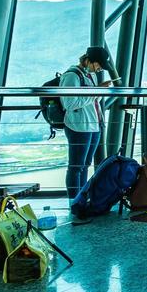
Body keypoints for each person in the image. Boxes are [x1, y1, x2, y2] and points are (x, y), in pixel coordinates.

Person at [60, 46, 112, 200]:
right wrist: (96, 91)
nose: (99, 68)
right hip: (79, 126)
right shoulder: (72, 76)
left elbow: (91, 99)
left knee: (85, 165)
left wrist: (98, 91)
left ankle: (81, 198)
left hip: (94, 125)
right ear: (88, 60)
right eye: (98, 65)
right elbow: (69, 104)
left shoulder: (89, 76)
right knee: (76, 166)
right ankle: (73, 201)